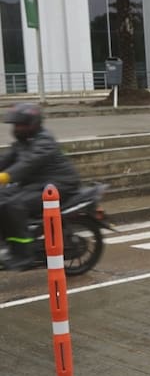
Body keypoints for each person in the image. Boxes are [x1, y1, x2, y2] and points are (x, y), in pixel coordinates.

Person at [0, 103, 81, 270]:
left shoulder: (44, 140)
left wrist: (6, 176)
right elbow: (6, 160)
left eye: (21, 124)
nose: (17, 128)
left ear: (33, 124)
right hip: (35, 184)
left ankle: (24, 254)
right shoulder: (23, 141)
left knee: (14, 205)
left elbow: (28, 164)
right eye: (16, 125)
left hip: (58, 185)